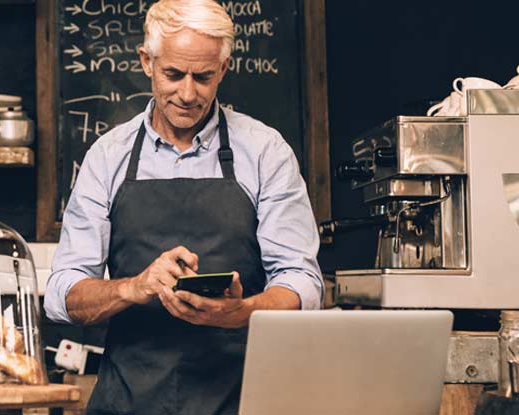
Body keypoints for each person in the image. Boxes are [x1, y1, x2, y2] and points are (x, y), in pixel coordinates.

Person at [43, 0, 323, 413]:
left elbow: (302, 282)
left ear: (223, 69)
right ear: (146, 61)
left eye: (203, 77)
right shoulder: (108, 156)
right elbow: (63, 292)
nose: (188, 94)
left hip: (243, 399)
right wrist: (133, 287)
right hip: (129, 401)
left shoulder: (265, 151)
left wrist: (240, 311)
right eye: (173, 74)